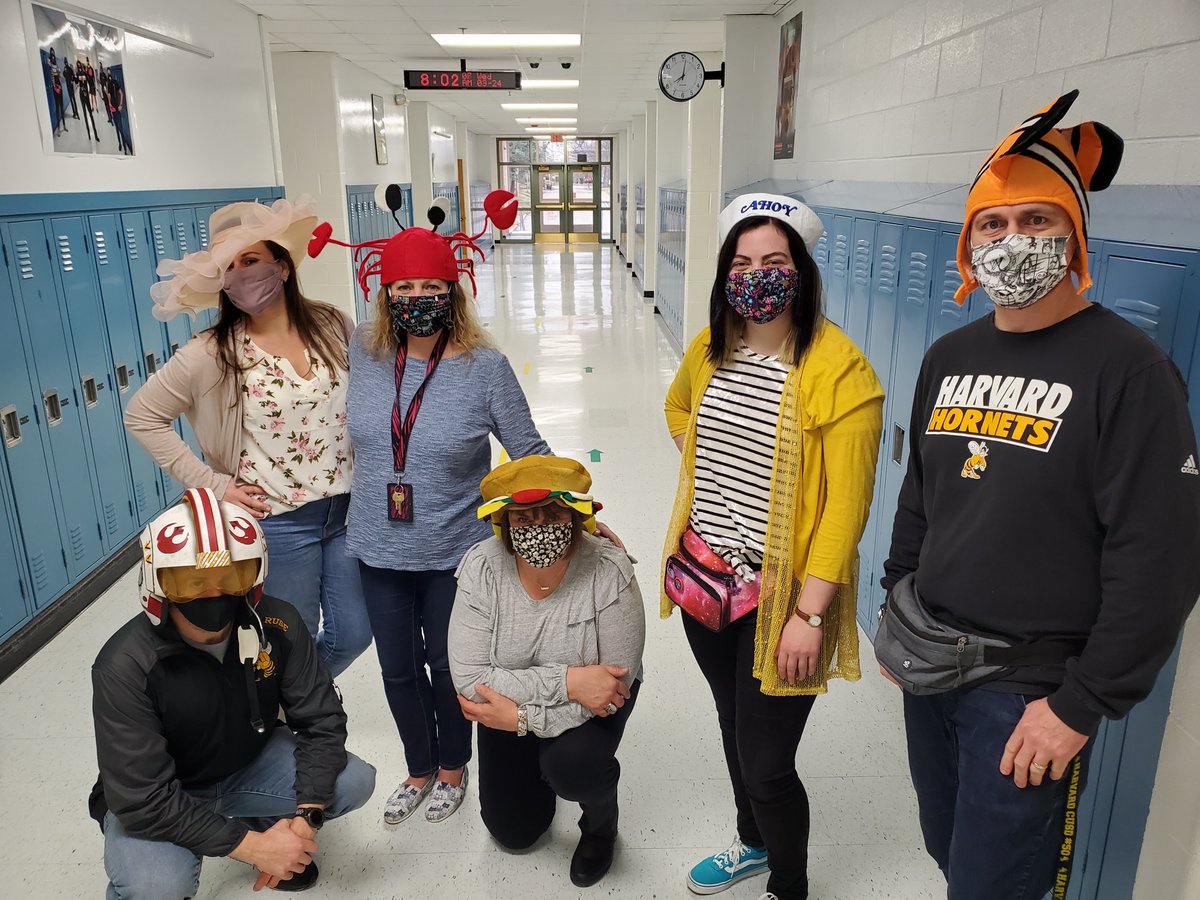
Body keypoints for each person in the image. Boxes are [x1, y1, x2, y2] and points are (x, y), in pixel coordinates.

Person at [878, 90, 1200, 900]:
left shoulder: (1128, 371)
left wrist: (1080, 704)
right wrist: (897, 607)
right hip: (934, 667)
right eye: (993, 224)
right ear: (968, 243)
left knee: (1002, 887)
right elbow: (923, 492)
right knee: (952, 856)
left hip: (1029, 693)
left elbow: (1158, 558)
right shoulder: (949, 356)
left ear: (1075, 235)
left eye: (1037, 221)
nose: (1013, 240)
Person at [662, 194, 883, 900]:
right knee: (733, 723)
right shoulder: (708, 347)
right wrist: (708, 467)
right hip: (706, 581)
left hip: (783, 598)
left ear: (802, 271)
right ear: (726, 272)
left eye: (776, 262)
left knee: (767, 764)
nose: (758, 276)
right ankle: (752, 843)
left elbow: (846, 509)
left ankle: (789, 885)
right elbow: (678, 407)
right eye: (743, 262)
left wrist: (809, 614)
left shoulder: (839, 370)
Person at [334, 214, 552, 827]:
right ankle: (418, 766)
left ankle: (454, 767)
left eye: (430, 286)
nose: (416, 299)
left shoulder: (485, 368)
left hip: (456, 554)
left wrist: (577, 515)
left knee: (448, 666)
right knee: (396, 668)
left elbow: (529, 451)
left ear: (452, 291)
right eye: (402, 289)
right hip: (377, 548)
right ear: (384, 295)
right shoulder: (363, 352)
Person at [125, 197, 372, 679]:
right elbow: (142, 416)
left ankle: (290, 701)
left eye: (251, 260)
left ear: (281, 266)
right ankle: (291, 714)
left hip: (347, 512)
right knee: (286, 638)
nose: (241, 274)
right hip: (276, 522)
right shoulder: (211, 352)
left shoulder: (332, 323)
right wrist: (213, 485)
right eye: (230, 267)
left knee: (354, 634)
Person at [89, 487, 376, 897]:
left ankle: (262, 817)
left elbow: (321, 722)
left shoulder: (278, 624)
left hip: (247, 765)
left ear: (254, 574)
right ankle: (247, 831)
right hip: (167, 793)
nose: (214, 594)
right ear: (158, 585)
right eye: (192, 582)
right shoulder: (124, 665)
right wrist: (256, 850)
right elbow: (143, 799)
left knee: (353, 781)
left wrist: (304, 819)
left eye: (231, 576)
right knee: (156, 887)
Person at [449, 456, 645, 887]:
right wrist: (570, 683)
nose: (540, 526)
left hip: (582, 706)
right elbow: (469, 679)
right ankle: (537, 766)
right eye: (524, 516)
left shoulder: (609, 570)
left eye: (554, 513)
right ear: (503, 521)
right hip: (528, 703)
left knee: (572, 766)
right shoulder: (482, 569)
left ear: (576, 516)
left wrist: (522, 719)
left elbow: (612, 686)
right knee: (514, 833)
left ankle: (600, 825)